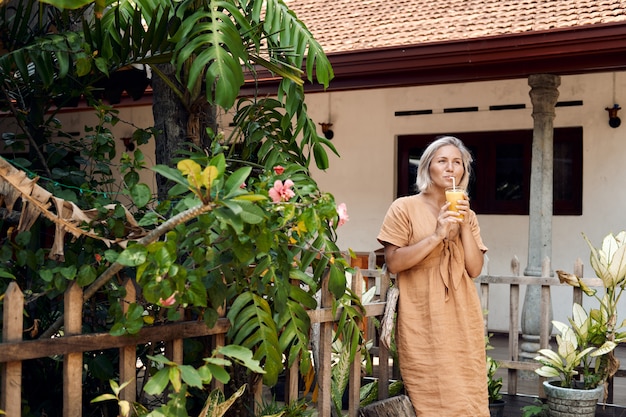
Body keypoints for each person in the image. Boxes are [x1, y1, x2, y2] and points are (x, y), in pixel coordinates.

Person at [377, 136, 489, 416]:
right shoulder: (403, 207)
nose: (451, 168)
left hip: (463, 314)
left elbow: (474, 269)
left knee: (468, 390)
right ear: (428, 167)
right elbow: (394, 262)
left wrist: (462, 225)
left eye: (457, 162)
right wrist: (438, 235)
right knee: (429, 389)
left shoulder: (469, 215)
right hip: (423, 313)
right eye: (442, 161)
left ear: (464, 171)